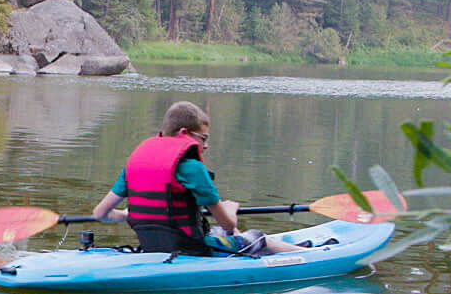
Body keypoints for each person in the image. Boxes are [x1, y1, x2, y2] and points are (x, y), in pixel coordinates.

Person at [90, 100, 301, 256]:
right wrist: (229, 209)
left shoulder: (135, 164)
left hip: (153, 248)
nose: (206, 145)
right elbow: (227, 224)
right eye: (203, 138)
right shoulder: (192, 168)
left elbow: (100, 214)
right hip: (192, 250)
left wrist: (130, 213)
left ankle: (301, 248)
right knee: (258, 238)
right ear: (185, 132)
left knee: (223, 233)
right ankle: (312, 254)